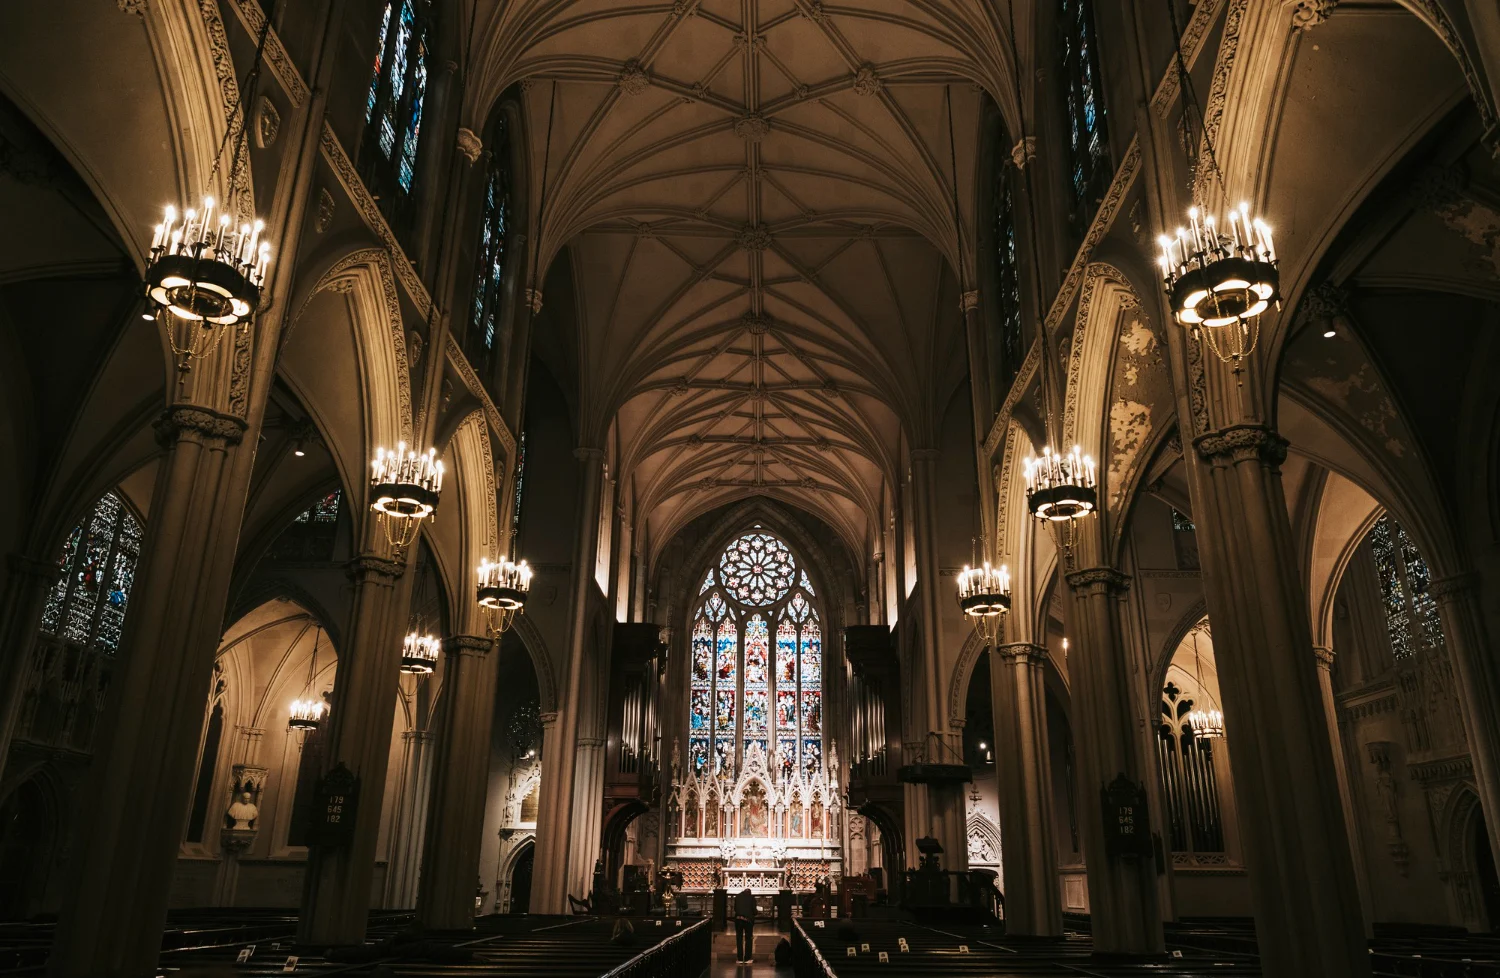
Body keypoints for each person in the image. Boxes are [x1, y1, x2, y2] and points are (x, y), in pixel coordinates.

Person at [733, 888, 756, 965]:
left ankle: (739, 958)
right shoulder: (751, 898)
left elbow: (735, 909)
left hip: (738, 920)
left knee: (739, 938)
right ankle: (747, 958)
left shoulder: (737, 897)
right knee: (748, 939)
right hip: (748, 920)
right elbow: (754, 911)